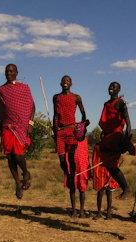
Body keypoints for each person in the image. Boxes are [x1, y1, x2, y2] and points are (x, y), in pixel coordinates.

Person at [0, 64, 35, 199]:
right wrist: (0, 125)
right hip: (7, 125)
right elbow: (0, 109)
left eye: (11, 71)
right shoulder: (0, 90)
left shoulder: (24, 87)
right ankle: (17, 183)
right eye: (7, 71)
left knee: (18, 154)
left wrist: (31, 122)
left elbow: (32, 106)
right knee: (10, 156)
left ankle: (25, 172)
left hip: (22, 125)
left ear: (17, 72)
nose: (9, 73)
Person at [53, 75, 87, 217]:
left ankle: (72, 176)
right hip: (60, 132)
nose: (65, 82)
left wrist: (82, 127)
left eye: (68, 81)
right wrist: (54, 129)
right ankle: (68, 175)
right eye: (63, 81)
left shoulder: (76, 97)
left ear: (71, 83)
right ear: (60, 83)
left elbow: (83, 113)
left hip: (72, 130)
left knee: (72, 159)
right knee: (62, 160)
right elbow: (55, 115)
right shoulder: (56, 97)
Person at [98, 82, 135, 200]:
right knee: (109, 165)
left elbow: (127, 118)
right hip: (107, 137)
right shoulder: (106, 103)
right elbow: (106, 121)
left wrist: (128, 131)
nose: (111, 88)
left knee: (112, 164)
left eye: (114, 87)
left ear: (119, 90)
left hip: (116, 136)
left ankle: (126, 189)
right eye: (110, 86)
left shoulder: (120, 102)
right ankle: (126, 188)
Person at [92, 142, 120, 220]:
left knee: (109, 192)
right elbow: (94, 159)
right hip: (100, 170)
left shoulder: (113, 146)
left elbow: (117, 157)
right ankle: (99, 213)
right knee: (100, 192)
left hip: (110, 169)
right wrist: (95, 171)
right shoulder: (97, 146)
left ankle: (108, 213)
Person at [64, 139, 90, 218]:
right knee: (72, 188)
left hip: (83, 167)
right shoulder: (69, 138)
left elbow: (87, 154)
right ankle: (74, 210)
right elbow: (66, 153)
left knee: (82, 189)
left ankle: (81, 211)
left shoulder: (85, 140)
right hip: (72, 166)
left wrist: (89, 166)